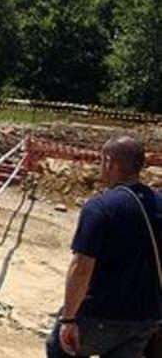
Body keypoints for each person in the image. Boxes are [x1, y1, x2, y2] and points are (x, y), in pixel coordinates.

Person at [47, 135, 161, 358]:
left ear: (109, 162)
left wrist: (69, 319)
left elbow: (82, 267)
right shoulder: (158, 203)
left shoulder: (100, 207)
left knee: (59, 347)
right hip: (146, 317)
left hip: (101, 314)